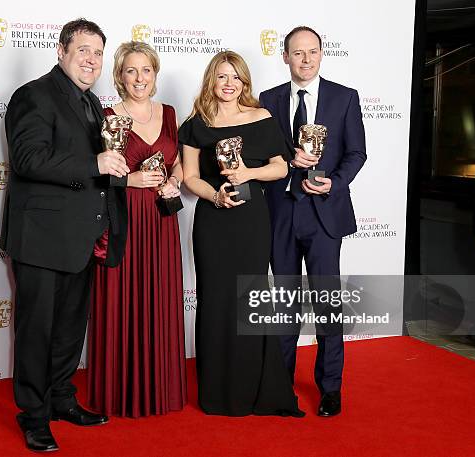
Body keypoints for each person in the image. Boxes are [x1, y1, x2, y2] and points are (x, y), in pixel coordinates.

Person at [1, 18, 130, 452]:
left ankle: (61, 399)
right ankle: (33, 416)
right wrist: (95, 164)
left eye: (98, 52)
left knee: (70, 330)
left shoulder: (92, 103)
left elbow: (101, 164)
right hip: (40, 239)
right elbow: (28, 158)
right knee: (36, 332)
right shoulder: (34, 95)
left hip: (81, 237)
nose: (91, 59)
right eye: (83, 50)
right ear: (61, 51)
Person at [179, 50, 304, 418]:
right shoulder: (195, 123)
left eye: (236, 77)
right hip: (213, 221)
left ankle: (255, 387)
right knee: (215, 301)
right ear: (211, 81)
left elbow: (281, 168)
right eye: (222, 76)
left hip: (252, 220)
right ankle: (217, 392)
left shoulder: (261, 117)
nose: (229, 83)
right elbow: (189, 177)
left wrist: (248, 174)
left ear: (245, 82)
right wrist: (215, 195)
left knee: (251, 299)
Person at [259, 26, 366, 417]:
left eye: (313, 52)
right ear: (285, 57)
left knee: (326, 304)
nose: (306, 60)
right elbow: (261, 154)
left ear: (322, 54)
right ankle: (280, 383)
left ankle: (331, 388)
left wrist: (332, 184)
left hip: (324, 214)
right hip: (281, 211)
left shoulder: (344, 97)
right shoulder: (268, 100)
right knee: (285, 304)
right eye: (298, 53)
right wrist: (288, 163)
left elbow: (356, 153)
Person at [87, 41, 187, 417]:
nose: (139, 77)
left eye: (146, 70)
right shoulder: (107, 114)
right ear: (120, 76)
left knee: (158, 299)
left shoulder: (172, 114)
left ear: (155, 75)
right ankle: (118, 392)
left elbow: (179, 162)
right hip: (122, 221)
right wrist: (130, 181)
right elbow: (93, 172)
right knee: (120, 300)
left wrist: (174, 180)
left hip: (162, 221)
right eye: (131, 70)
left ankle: (161, 388)